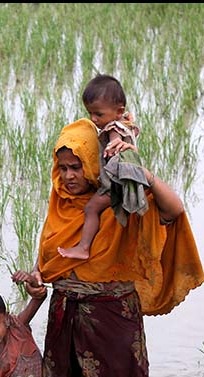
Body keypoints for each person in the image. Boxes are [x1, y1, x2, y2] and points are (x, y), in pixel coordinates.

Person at [34, 118, 204, 377]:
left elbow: (174, 210)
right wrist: (36, 282)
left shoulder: (122, 204)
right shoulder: (60, 206)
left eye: (78, 167)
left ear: (96, 165)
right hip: (64, 315)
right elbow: (47, 261)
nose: (69, 176)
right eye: (63, 167)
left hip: (113, 315)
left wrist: (143, 175)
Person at [58, 74, 149, 260]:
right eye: (90, 113)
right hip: (122, 182)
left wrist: (114, 144)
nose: (94, 119)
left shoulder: (114, 128)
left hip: (115, 186)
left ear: (118, 111)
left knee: (91, 208)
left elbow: (115, 137)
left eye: (98, 114)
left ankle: (84, 247)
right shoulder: (124, 121)